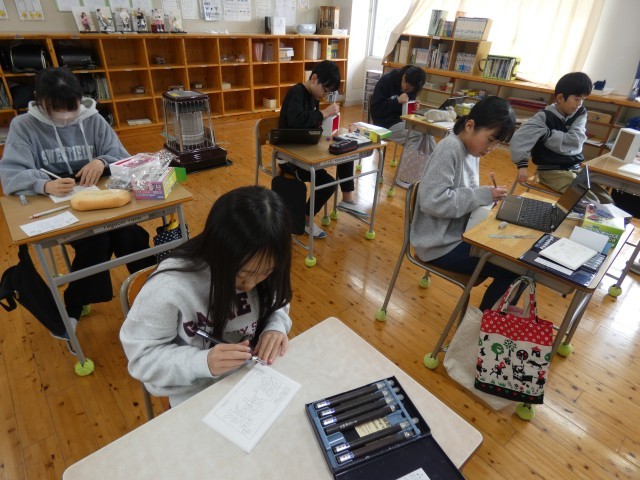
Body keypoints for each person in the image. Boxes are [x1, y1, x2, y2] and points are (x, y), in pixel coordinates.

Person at [0, 67, 155, 339]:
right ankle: (72, 307)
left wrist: (101, 161)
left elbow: (121, 156)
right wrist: (43, 184)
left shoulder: (93, 119)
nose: (65, 116)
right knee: (97, 241)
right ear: (40, 100)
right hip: (56, 204)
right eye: (56, 109)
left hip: (98, 198)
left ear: (79, 99)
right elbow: (11, 175)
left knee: (130, 235)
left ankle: (153, 291)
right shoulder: (24, 126)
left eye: (71, 108)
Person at [120, 186, 293, 406]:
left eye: (265, 273)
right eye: (243, 275)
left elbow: (277, 300)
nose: (250, 285)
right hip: (197, 395)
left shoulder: (264, 263)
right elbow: (142, 359)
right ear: (219, 252)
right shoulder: (170, 286)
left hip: (254, 378)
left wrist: (275, 326)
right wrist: (202, 362)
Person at [410, 96, 520, 311]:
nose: (491, 148)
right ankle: (486, 325)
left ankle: (488, 321)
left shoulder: (471, 150)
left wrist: (485, 204)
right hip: (438, 245)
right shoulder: (450, 148)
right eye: (490, 140)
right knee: (514, 269)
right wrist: (481, 196)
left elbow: (463, 195)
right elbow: (433, 202)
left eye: (498, 143)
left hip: (459, 234)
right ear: (470, 125)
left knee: (512, 254)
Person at [277, 60, 366, 239]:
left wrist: (327, 123)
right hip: (289, 156)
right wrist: (324, 113)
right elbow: (295, 121)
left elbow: (311, 124)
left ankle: (347, 199)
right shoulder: (297, 92)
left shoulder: (313, 97)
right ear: (314, 78)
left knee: (344, 149)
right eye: (325, 90)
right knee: (327, 183)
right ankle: (305, 220)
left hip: (305, 150)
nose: (324, 95)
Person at [510, 71, 613, 204]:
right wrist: (522, 165)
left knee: (607, 201)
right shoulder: (544, 117)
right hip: (551, 172)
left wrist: (547, 135)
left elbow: (575, 141)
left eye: (583, 99)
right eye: (577, 99)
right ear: (560, 98)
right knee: (591, 202)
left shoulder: (580, 113)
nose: (580, 103)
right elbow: (520, 137)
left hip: (574, 168)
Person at [370, 65, 433, 154]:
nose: (407, 91)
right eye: (407, 88)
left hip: (402, 121)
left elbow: (405, 112)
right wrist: (397, 101)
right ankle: (409, 162)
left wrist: (413, 108)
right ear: (404, 77)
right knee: (415, 135)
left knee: (428, 132)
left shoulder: (413, 88)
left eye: (410, 90)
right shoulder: (386, 81)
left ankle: (435, 161)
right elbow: (376, 110)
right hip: (384, 123)